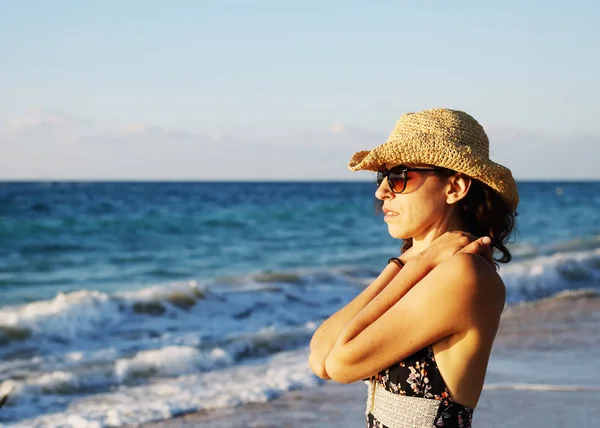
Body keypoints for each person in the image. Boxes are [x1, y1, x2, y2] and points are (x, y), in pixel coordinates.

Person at [308, 108, 518, 427]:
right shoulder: (420, 268)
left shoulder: (463, 274)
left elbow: (341, 364)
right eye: (384, 177)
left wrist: (419, 261)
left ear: (455, 188)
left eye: (400, 176)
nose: (381, 192)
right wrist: (408, 262)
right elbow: (320, 359)